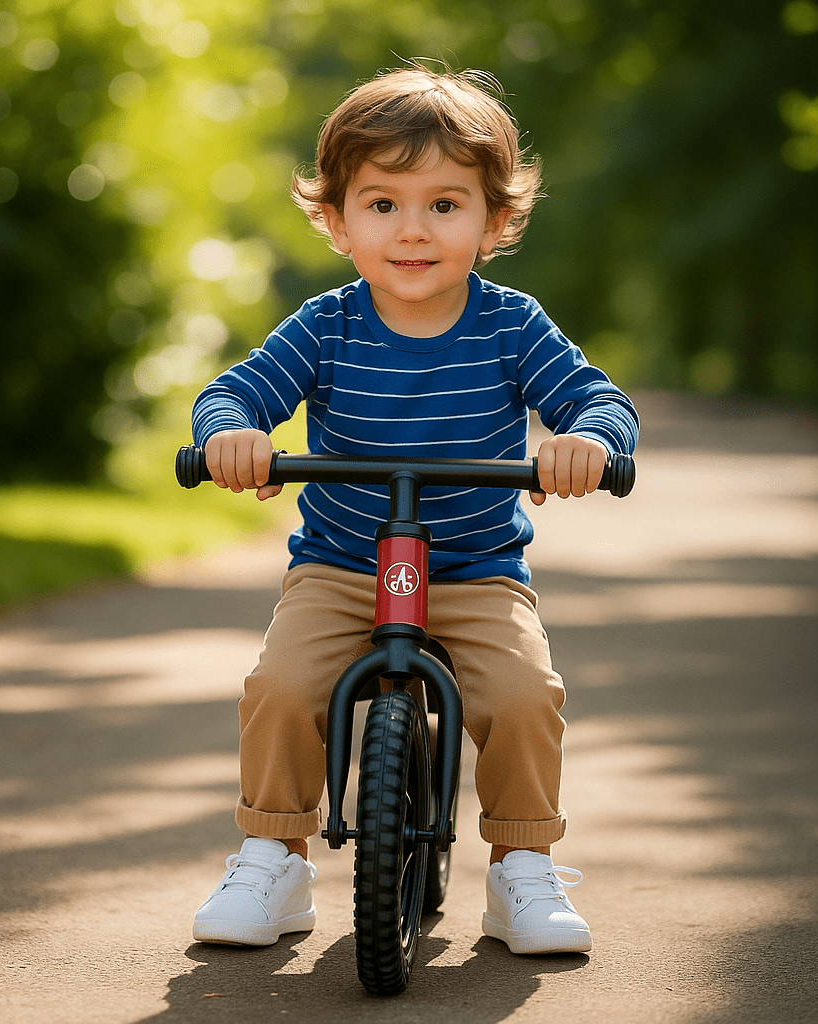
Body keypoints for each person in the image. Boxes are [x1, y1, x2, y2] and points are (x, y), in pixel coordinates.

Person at [188, 65, 639, 955]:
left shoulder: (512, 326)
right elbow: (233, 393)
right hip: (342, 567)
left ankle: (522, 869)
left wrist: (584, 441)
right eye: (383, 203)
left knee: (521, 695)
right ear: (337, 217)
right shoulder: (327, 325)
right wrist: (231, 435)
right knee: (279, 687)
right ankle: (272, 856)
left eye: (445, 204)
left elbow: (598, 400)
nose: (413, 230)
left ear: (494, 220)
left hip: (476, 571)